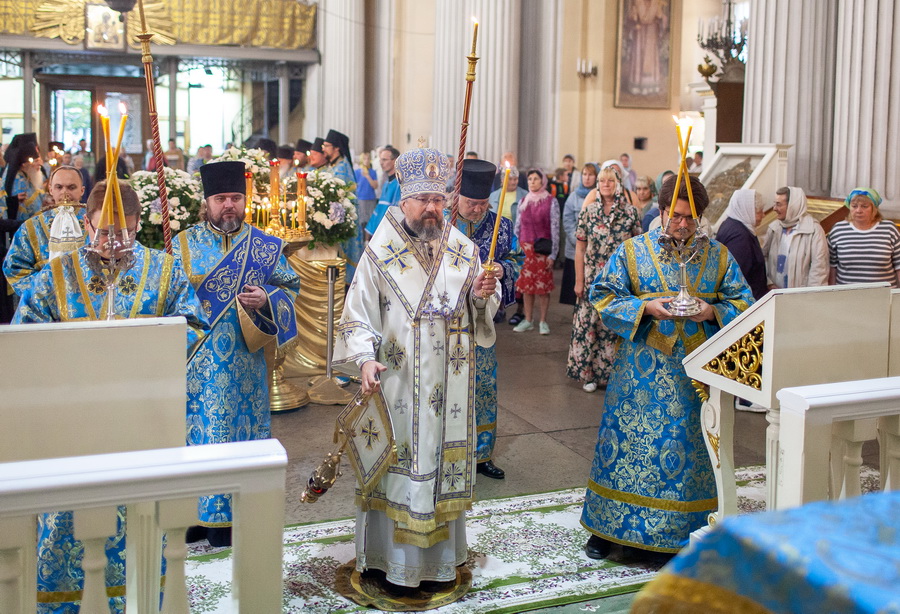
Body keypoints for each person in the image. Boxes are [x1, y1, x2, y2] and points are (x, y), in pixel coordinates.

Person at [332, 146, 500, 594]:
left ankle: (440, 564)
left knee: (439, 469)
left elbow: (477, 310)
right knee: (397, 468)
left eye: (439, 199)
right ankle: (390, 563)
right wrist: (365, 359)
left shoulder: (463, 250)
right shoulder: (378, 253)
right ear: (402, 201)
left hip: (449, 390)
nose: (432, 209)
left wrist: (484, 293)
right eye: (422, 199)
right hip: (397, 385)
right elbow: (355, 315)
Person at [581, 174, 754, 561]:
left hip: (691, 375)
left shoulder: (719, 255)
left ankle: (676, 534)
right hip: (638, 374)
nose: (682, 224)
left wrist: (712, 310)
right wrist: (645, 307)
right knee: (624, 448)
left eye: (691, 218)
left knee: (683, 450)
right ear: (661, 211)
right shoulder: (631, 251)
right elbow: (603, 294)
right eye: (676, 216)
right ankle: (606, 529)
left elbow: (745, 301)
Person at [174, 160, 301, 547]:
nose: (228, 205)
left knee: (236, 438)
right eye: (220, 198)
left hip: (245, 363)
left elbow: (291, 287)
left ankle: (230, 518)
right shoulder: (183, 243)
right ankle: (195, 513)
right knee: (198, 437)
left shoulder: (263, 245)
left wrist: (268, 296)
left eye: (234, 197)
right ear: (206, 202)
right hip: (195, 361)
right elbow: (170, 293)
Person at [453, 158, 522, 480]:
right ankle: (446, 451)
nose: (478, 209)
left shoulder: (502, 225)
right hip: (447, 323)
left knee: (483, 386)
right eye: (471, 203)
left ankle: (482, 455)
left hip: (482, 322)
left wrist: (502, 270)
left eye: (483, 203)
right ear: (457, 197)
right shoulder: (441, 225)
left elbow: (517, 259)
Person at [567, 166, 641, 392]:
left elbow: (637, 250)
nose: (605, 184)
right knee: (589, 326)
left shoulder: (630, 212)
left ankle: (611, 375)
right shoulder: (588, 212)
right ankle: (588, 375)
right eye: (601, 181)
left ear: (618, 183)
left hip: (619, 280)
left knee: (613, 328)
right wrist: (579, 281)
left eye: (610, 181)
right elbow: (580, 248)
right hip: (592, 279)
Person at [3, 165, 87, 295]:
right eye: (59, 187)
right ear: (51, 189)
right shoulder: (32, 226)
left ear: (82, 190)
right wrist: (43, 292)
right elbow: (14, 266)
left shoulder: (96, 223)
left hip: (88, 300)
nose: (65, 193)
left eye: (71, 187)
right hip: (45, 302)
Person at [512, 168, 558, 335]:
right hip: (525, 250)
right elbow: (518, 226)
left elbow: (555, 229)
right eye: (529, 179)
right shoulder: (524, 200)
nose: (532, 182)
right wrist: (514, 249)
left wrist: (553, 254)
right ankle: (528, 319)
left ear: (542, 181)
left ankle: (543, 321)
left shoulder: (550, 201)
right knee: (526, 288)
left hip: (542, 249)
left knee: (543, 289)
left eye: (535, 179)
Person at [828, 187, 900, 288]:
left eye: (864, 206)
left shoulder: (889, 229)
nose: (858, 210)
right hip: (847, 296)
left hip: (883, 296)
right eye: (854, 206)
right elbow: (832, 267)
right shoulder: (838, 230)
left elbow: (898, 265)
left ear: (874, 209)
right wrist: (832, 292)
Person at [762, 186, 829, 289]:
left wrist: (809, 298)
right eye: (774, 204)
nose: (774, 208)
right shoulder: (774, 228)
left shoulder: (813, 230)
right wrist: (769, 283)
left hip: (801, 298)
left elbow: (819, 269)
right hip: (774, 296)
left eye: (779, 204)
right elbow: (763, 257)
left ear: (792, 206)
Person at [323, 129, 362, 282]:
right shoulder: (333, 166)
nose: (323, 149)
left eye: (326, 146)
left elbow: (340, 197)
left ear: (336, 148)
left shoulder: (342, 169)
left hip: (342, 222)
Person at [716, 189, 768, 300]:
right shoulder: (740, 237)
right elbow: (738, 277)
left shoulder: (731, 224)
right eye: (760, 211)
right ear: (748, 210)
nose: (763, 215)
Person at [560, 163, 599, 305]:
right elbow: (568, 221)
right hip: (575, 250)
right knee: (575, 293)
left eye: (590, 175)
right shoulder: (573, 197)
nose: (587, 178)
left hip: (595, 252)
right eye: (584, 174)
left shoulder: (600, 196)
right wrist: (577, 240)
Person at [2, 139, 46, 222]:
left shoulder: (27, 175)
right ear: (25, 164)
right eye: (36, 161)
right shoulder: (19, 180)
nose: (40, 164)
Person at [364, 145, 401, 237]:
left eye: (384, 160)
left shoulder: (399, 184)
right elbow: (379, 209)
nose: (381, 163)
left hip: (390, 234)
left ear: (395, 161)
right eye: (380, 160)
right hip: (379, 232)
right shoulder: (387, 183)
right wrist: (370, 231)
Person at [354, 151, 379, 230]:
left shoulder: (373, 172)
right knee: (361, 219)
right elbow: (354, 185)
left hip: (371, 198)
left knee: (371, 219)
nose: (366, 160)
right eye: (364, 158)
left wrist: (367, 176)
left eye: (368, 158)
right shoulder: (357, 172)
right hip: (361, 198)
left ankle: (368, 239)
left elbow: (375, 186)